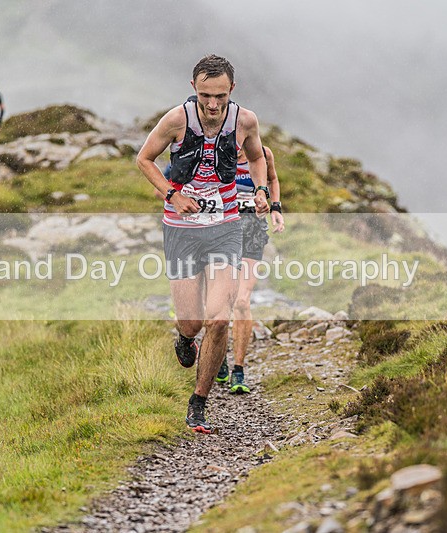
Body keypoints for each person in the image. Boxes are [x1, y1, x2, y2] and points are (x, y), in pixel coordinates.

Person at [137, 55, 270, 433]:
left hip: (226, 227)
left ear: (233, 90)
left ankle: (199, 402)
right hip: (181, 229)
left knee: (218, 317)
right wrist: (172, 194)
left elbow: (258, 157)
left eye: (220, 96)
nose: (212, 105)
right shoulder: (176, 120)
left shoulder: (245, 121)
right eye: (205, 95)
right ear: (193, 87)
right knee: (193, 322)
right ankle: (183, 338)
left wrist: (260, 190)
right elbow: (144, 159)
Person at [215, 145, 285, 393]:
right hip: (221, 229)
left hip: (253, 230)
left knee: (242, 301)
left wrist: (275, 208)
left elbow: (273, 178)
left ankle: (239, 371)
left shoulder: (263, 153)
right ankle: (217, 355)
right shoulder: (215, 151)